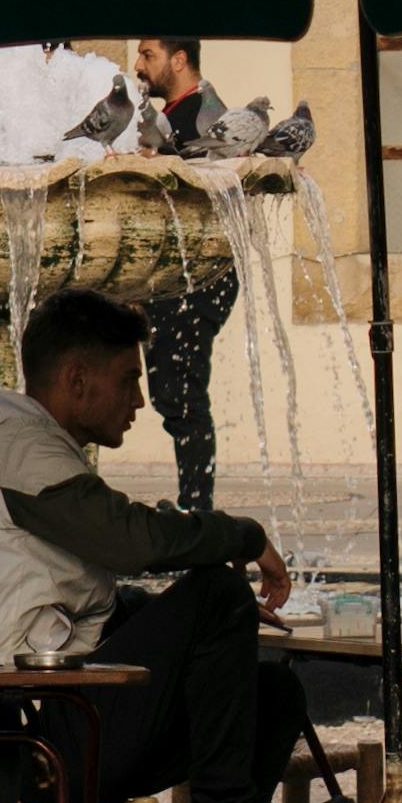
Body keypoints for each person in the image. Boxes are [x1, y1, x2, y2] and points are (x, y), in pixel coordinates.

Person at [0, 285, 349, 803]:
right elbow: (135, 541)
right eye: (129, 379)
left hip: (56, 715)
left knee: (273, 693)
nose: (141, 400)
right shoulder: (18, 451)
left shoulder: (15, 443)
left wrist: (190, 627)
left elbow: (77, 597)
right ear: (78, 379)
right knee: (219, 589)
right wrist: (244, 536)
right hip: (33, 739)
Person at [125, 33, 242, 511]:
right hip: (173, 275)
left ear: (179, 59)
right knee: (171, 395)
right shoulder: (171, 116)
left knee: (182, 397)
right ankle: (195, 508)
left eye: (148, 55)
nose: (138, 66)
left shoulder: (201, 117)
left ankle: (198, 512)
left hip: (198, 276)